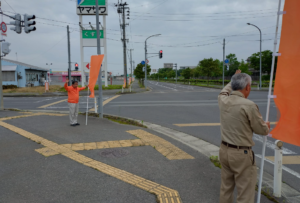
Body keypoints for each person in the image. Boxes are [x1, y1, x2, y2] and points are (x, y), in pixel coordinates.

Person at [218, 70, 270, 203]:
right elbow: (262, 130)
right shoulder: (249, 105)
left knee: (226, 188)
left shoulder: (223, 100)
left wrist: (232, 80)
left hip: (224, 150)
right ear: (247, 87)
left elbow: (224, 91)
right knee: (245, 192)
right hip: (242, 154)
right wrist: (266, 126)